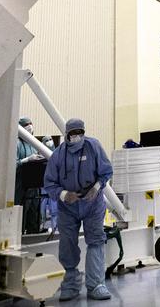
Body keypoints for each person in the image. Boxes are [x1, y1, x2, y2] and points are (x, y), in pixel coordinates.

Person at [44, 118, 114, 302]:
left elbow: (106, 171)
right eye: (72, 134)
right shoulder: (58, 155)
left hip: (93, 204)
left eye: (79, 133)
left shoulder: (93, 146)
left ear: (83, 132)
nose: (76, 137)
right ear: (66, 135)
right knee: (67, 245)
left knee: (96, 240)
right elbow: (49, 183)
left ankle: (96, 284)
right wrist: (64, 194)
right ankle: (70, 285)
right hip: (68, 207)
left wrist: (96, 188)